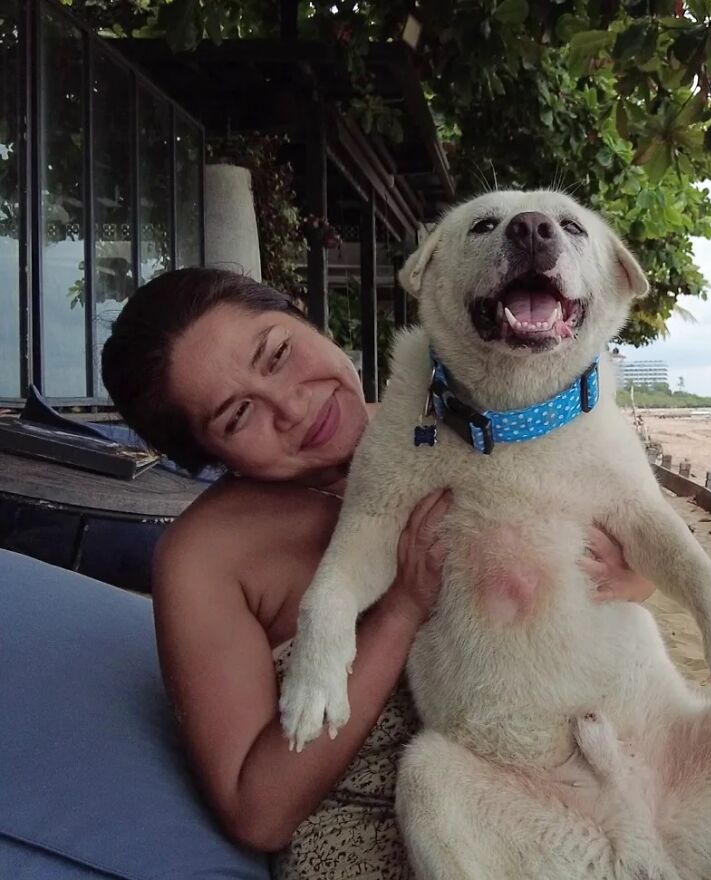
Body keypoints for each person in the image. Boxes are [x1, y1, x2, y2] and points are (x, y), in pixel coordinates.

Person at [101, 267, 655, 879]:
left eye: (279, 353)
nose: (291, 405)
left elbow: (627, 549)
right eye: (237, 417)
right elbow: (258, 811)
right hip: (392, 843)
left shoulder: (465, 413)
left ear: (302, 313)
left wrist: (629, 579)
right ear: (210, 457)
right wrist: (400, 609)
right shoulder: (208, 557)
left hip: (590, 786)